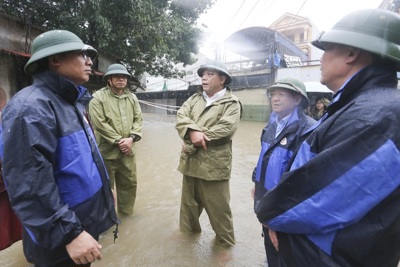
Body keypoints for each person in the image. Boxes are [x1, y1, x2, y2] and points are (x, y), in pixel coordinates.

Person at [255, 9, 400, 267]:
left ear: (351, 53)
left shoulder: (371, 117)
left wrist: (268, 212)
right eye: (273, 94)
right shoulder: (353, 106)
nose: (320, 58)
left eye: (326, 48)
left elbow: (315, 197)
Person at [1, 30, 118, 267]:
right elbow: (29, 184)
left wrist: (106, 192)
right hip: (61, 239)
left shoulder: (71, 102)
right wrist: (70, 234)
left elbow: (82, 161)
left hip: (80, 225)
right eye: (82, 54)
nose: (89, 61)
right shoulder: (31, 108)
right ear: (55, 60)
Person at [176, 60, 241, 247]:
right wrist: (191, 132)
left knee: (219, 210)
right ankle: (187, 238)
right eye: (203, 74)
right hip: (190, 162)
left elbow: (226, 129)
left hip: (214, 166)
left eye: (210, 74)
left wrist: (196, 136)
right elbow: (181, 116)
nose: (204, 77)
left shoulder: (232, 103)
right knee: (188, 207)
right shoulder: (194, 99)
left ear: (222, 79)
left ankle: (225, 245)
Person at [252, 78, 315, 266]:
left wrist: (281, 216)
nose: (275, 99)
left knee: (287, 253)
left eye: (281, 94)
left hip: (286, 209)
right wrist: (256, 182)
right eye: (273, 94)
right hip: (267, 201)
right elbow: (264, 157)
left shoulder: (309, 130)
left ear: (297, 99)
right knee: (271, 249)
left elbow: (304, 181)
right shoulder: (271, 125)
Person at [88, 64, 142, 216]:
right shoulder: (98, 98)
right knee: (105, 187)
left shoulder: (132, 98)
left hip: (128, 152)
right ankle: (107, 219)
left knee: (129, 185)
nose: (121, 79)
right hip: (106, 152)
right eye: (117, 76)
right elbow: (99, 124)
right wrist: (120, 141)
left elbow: (138, 120)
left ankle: (126, 215)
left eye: (124, 76)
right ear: (109, 80)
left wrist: (131, 139)